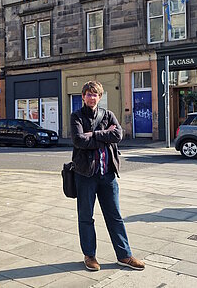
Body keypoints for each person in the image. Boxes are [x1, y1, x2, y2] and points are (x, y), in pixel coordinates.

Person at [70, 81, 145, 272]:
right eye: (88, 94)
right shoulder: (76, 116)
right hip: (85, 174)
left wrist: (93, 135)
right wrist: (104, 136)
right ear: (83, 96)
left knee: (115, 216)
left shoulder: (108, 115)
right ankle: (90, 256)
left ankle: (124, 255)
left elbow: (118, 135)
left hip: (107, 174)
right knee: (86, 217)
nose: (91, 97)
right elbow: (79, 140)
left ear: (100, 97)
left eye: (95, 94)